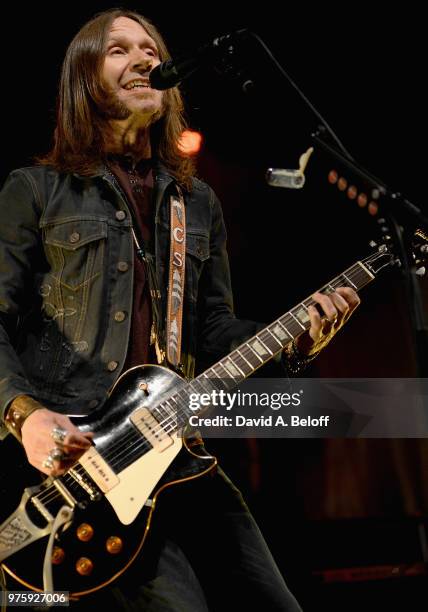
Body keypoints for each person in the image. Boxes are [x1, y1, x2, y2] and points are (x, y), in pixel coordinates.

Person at [0, 8, 360, 611]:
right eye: (119, 50)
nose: (144, 58)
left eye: (150, 47)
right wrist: (25, 416)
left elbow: (215, 329)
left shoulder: (198, 204)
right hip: (74, 464)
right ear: (83, 77)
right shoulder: (35, 191)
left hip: (179, 452)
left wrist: (297, 339)